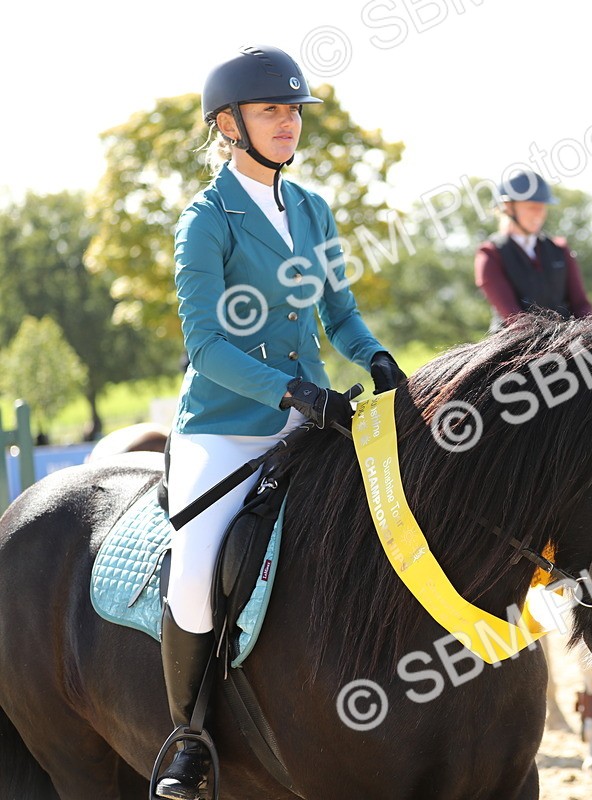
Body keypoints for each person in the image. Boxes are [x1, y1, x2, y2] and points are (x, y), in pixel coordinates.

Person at [155, 45, 405, 800]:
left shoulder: (311, 210)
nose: (288, 122)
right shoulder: (206, 221)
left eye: (293, 110)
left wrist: (375, 357)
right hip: (225, 429)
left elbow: (341, 315)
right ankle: (189, 738)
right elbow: (207, 346)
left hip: (310, 419)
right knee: (194, 575)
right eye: (271, 110)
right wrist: (293, 391)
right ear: (229, 124)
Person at [474, 170, 592, 329]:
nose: (540, 214)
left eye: (542, 207)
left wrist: (588, 331)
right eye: (532, 207)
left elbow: (581, 304)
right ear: (508, 208)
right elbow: (515, 319)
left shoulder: (560, 249)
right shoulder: (490, 256)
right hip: (517, 341)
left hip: (567, 337)